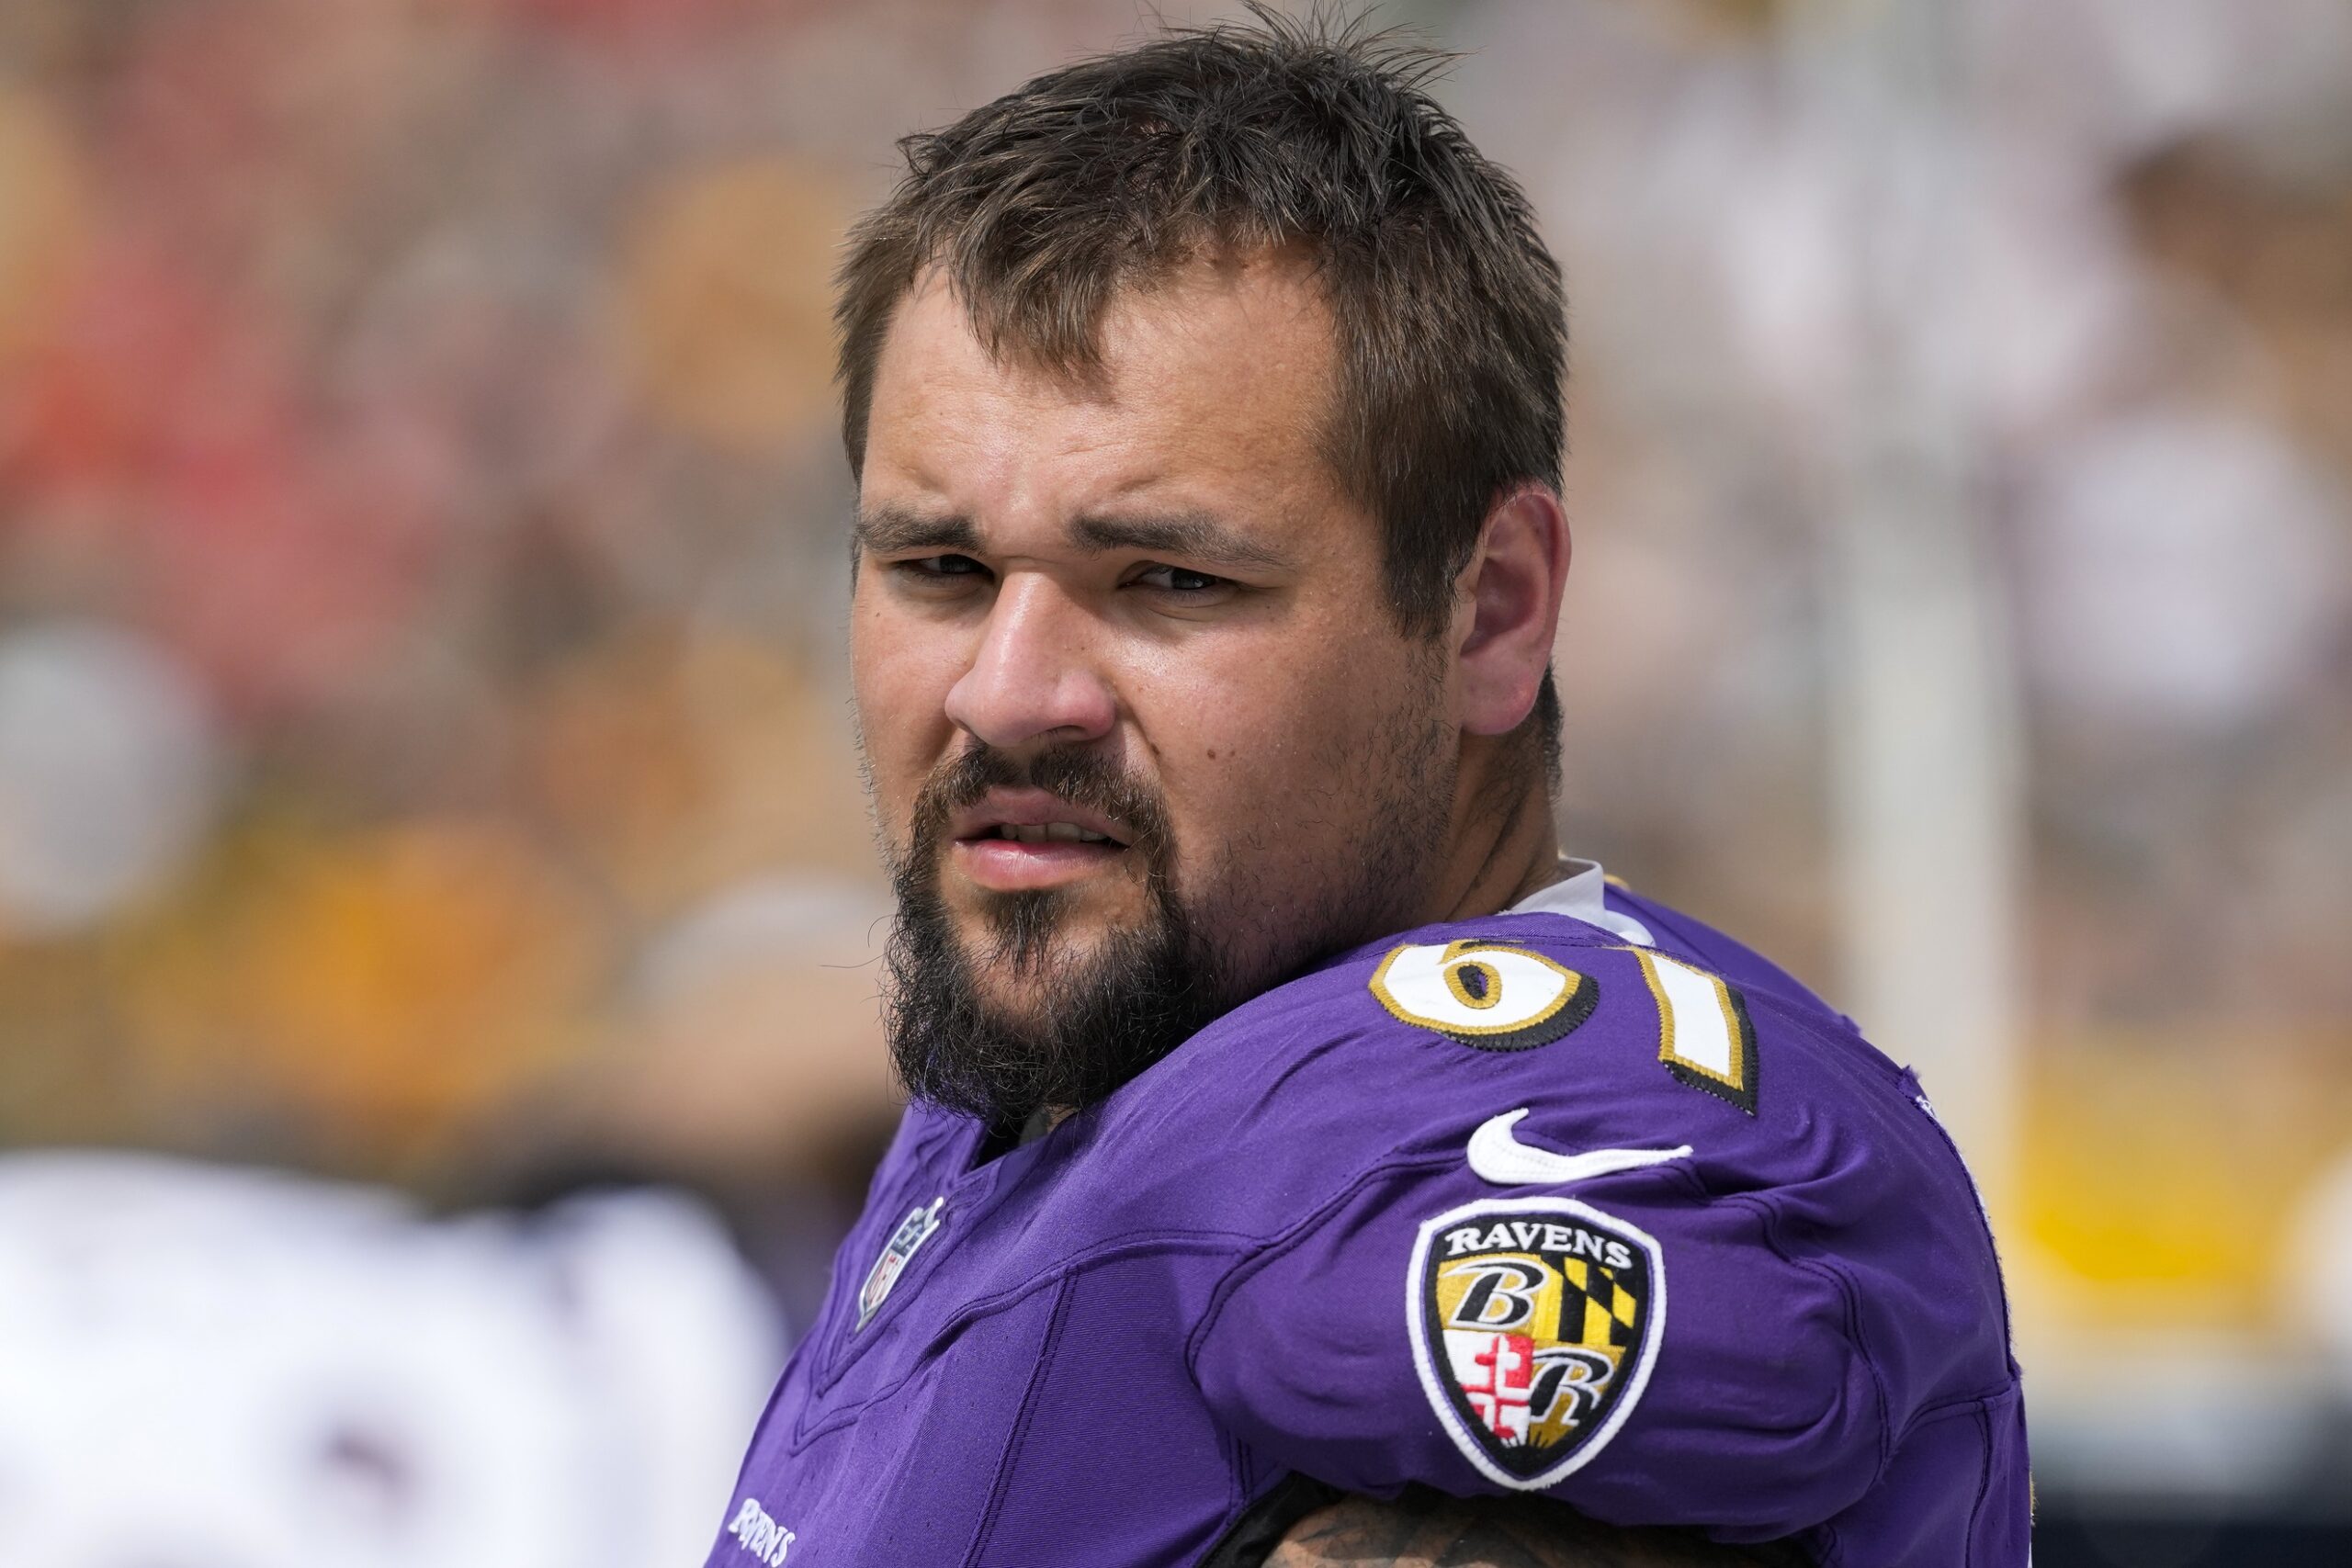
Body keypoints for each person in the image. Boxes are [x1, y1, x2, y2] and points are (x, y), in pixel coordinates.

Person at [706, 12, 2025, 1566]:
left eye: (1168, 579)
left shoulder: (1548, 1128)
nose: (1007, 692)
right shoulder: (1077, 1049)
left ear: (1491, 609)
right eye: (939, 568)